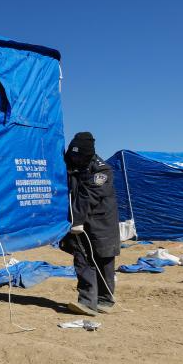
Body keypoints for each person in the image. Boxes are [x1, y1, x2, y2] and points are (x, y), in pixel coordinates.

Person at [60, 132, 120, 316]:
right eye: (73, 155)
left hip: (101, 223)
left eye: (79, 156)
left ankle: (105, 300)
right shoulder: (70, 163)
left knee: (104, 261)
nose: (75, 159)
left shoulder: (102, 171)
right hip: (80, 221)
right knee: (83, 259)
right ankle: (87, 302)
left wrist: (76, 221)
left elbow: (87, 197)